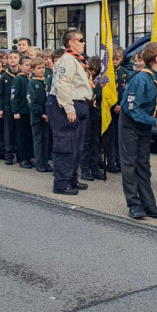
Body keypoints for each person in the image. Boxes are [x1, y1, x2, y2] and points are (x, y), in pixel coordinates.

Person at [120, 42, 157, 219]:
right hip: (130, 124)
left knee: (144, 164)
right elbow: (131, 108)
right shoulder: (140, 79)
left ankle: (149, 204)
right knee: (130, 164)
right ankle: (133, 204)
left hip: (145, 124)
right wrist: (154, 121)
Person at [48, 30, 93, 196]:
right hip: (66, 104)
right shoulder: (66, 60)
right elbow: (62, 84)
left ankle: (72, 178)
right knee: (65, 145)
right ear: (71, 42)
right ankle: (61, 184)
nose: (83, 43)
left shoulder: (77, 60)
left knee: (77, 147)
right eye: (80, 40)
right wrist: (68, 107)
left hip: (79, 103)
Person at [81, 55, 105, 181]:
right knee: (85, 143)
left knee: (95, 142)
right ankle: (85, 169)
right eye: (92, 71)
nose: (94, 74)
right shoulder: (83, 79)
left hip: (96, 114)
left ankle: (95, 167)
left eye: (96, 72)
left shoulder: (100, 81)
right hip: (86, 114)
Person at [105, 45, 127, 174]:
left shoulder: (125, 73)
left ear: (121, 59)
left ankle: (120, 160)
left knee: (120, 137)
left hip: (121, 108)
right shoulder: (106, 73)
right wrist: (112, 105)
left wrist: (121, 105)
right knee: (109, 137)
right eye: (112, 59)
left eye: (117, 59)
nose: (114, 62)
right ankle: (111, 161)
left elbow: (128, 91)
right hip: (109, 109)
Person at [27, 57, 51, 172]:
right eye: (39, 68)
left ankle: (46, 162)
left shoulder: (46, 81)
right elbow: (31, 101)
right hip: (37, 117)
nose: (42, 70)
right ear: (32, 69)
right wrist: (41, 114)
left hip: (47, 116)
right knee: (38, 140)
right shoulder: (32, 82)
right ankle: (39, 162)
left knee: (46, 139)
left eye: (43, 68)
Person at [11, 55, 34, 168]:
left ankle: (29, 156)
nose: (29, 67)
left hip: (29, 112)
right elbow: (14, 96)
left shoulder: (31, 78)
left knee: (29, 136)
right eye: (27, 65)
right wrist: (15, 111)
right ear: (20, 66)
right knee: (21, 136)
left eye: (31, 65)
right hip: (21, 111)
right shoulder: (19, 79)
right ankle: (22, 158)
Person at [0, 51, 21, 164]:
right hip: (8, 108)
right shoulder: (4, 76)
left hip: (19, 108)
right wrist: (1, 108)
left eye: (15, 57)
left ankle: (20, 154)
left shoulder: (22, 74)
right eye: (10, 57)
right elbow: (1, 94)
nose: (12, 59)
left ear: (19, 59)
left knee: (19, 132)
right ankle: (8, 155)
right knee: (8, 132)